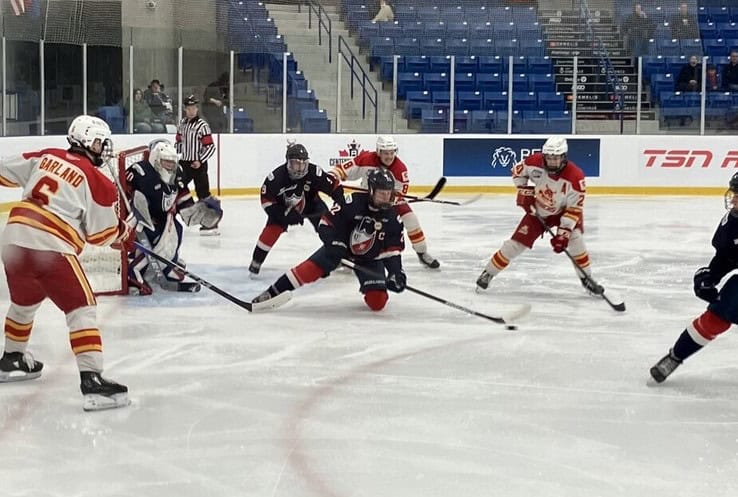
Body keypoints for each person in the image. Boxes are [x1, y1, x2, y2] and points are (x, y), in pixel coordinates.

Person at [0, 115, 135, 411]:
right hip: (50, 246)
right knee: (81, 307)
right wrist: (123, 231)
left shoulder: (47, 155)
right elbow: (101, 235)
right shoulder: (99, 180)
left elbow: (4, 172)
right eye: (100, 142)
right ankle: (92, 379)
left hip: (12, 238)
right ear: (86, 140)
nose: (103, 148)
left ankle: (12, 358)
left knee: (24, 302)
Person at [252, 168, 406, 311]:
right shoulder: (351, 202)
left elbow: (392, 250)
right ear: (371, 191)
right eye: (381, 194)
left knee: (377, 302)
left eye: (388, 194)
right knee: (306, 271)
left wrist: (396, 273)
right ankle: (271, 293)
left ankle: (372, 287)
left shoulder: (393, 216)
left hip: (370, 259)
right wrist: (335, 244)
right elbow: (326, 223)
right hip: (339, 251)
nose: (386, 198)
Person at [476, 136, 603, 296]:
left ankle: (587, 279)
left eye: (555, 158)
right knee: (514, 244)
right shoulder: (534, 162)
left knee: (576, 241)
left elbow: (573, 210)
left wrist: (563, 235)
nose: (551, 162)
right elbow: (517, 173)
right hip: (539, 210)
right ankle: (488, 273)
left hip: (565, 211)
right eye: (548, 158)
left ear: (564, 157)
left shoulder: (575, 177)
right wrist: (526, 191)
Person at [650, 172, 738, 383]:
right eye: (734, 193)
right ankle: (675, 356)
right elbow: (727, 256)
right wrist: (711, 275)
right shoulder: (731, 224)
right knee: (717, 317)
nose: (733, 199)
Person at [126, 138, 222, 294]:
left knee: (176, 229)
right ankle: (133, 272)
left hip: (163, 217)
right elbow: (123, 193)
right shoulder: (140, 172)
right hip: (140, 220)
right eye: (166, 162)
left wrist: (198, 211)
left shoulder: (178, 173)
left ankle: (168, 265)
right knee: (157, 238)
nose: (171, 166)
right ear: (156, 160)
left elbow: (182, 197)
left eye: (172, 162)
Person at [331, 135, 440, 269]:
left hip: (386, 200)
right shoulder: (366, 158)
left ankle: (422, 252)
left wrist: (389, 200)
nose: (389, 156)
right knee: (350, 219)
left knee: (411, 218)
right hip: (365, 197)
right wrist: (332, 177)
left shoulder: (400, 169)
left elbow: (400, 193)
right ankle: (340, 253)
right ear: (379, 152)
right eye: (385, 153)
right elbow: (343, 170)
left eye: (391, 153)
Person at [248, 142, 345, 276]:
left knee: (328, 227)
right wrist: (284, 215)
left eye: (303, 164)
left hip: (312, 204)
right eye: (295, 164)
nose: (300, 168)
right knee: (271, 231)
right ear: (288, 162)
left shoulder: (313, 172)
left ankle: (338, 256)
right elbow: (266, 202)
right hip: (284, 208)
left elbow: (333, 187)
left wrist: (340, 200)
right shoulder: (276, 178)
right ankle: (256, 261)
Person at [176, 94, 222, 236]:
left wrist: (200, 160)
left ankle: (211, 222)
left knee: (203, 194)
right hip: (184, 163)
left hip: (199, 164)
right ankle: (186, 213)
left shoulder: (202, 125)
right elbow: (178, 144)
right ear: (185, 109)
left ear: (197, 109)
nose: (191, 111)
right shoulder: (181, 125)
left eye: (194, 108)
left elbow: (210, 147)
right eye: (189, 108)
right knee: (177, 188)